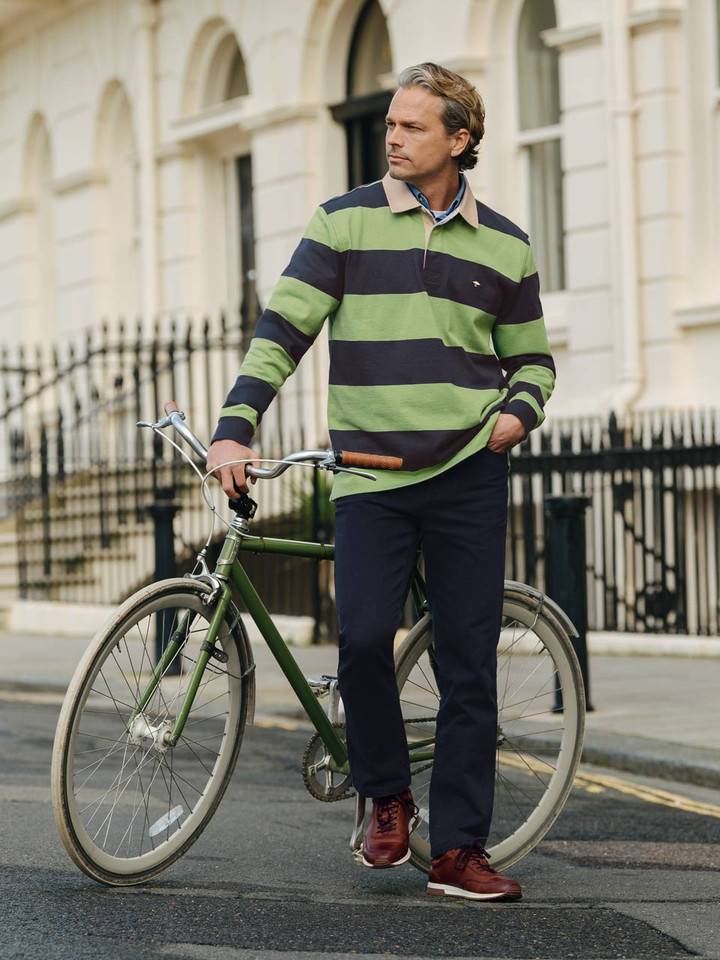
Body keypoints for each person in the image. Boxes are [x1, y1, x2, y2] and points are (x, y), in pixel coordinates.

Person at [207, 62, 555, 902]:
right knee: (364, 640)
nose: (392, 137)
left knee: (470, 664)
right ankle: (388, 796)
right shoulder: (343, 223)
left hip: (470, 472)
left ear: (458, 140)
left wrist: (518, 413)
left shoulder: (505, 242)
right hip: (368, 475)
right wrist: (234, 425)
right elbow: (281, 330)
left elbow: (533, 360)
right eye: (391, 125)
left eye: (412, 127)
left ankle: (460, 850)